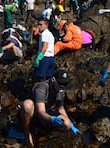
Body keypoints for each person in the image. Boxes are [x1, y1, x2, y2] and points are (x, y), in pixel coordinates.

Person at [20, 19, 81, 147]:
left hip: (45, 113)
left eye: (40, 24)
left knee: (65, 122)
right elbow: (42, 113)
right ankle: (28, 135)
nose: (38, 26)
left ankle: (48, 132)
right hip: (40, 113)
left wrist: (70, 125)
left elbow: (61, 108)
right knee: (28, 105)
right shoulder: (43, 87)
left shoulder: (59, 90)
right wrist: (52, 119)